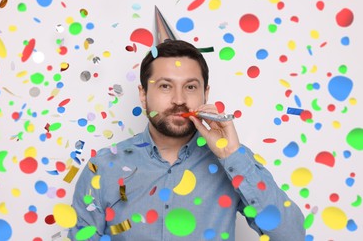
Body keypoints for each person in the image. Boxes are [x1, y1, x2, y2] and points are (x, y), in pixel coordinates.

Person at [68, 40, 305, 240]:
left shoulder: (234, 161)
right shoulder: (103, 167)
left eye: (190, 86)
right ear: (143, 95)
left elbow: (291, 234)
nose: (179, 99)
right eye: (165, 86)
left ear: (205, 94)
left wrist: (230, 154)